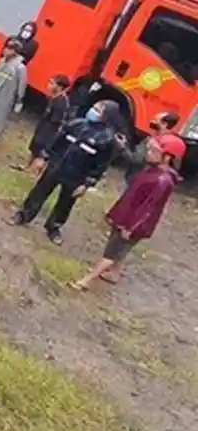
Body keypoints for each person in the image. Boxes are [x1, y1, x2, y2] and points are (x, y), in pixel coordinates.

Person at [73, 133, 184, 291]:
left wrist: (131, 228)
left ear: (167, 157)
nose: (148, 153)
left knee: (111, 252)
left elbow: (149, 208)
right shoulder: (152, 171)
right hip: (125, 216)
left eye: (153, 151)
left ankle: (87, 280)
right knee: (118, 250)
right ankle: (114, 274)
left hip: (131, 223)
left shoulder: (162, 180)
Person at [10, 99, 119, 245]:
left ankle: (54, 227)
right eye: (94, 107)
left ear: (107, 116)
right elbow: (56, 142)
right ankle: (23, 215)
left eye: (98, 110)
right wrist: (43, 157)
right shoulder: (77, 124)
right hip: (57, 167)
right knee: (39, 192)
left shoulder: (107, 139)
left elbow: (100, 166)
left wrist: (87, 184)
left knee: (65, 204)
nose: (92, 111)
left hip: (76, 177)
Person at [14, 74, 71, 172]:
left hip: (49, 129)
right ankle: (27, 165)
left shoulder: (62, 102)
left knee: (41, 148)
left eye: (52, 83)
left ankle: (36, 170)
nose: (49, 85)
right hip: (43, 125)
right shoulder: (52, 97)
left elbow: (56, 121)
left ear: (60, 87)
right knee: (34, 146)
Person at [116, 111, 181, 186]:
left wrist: (122, 146)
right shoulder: (177, 142)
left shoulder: (152, 141)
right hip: (158, 182)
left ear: (165, 124)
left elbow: (135, 160)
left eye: (156, 120)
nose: (152, 121)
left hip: (137, 180)